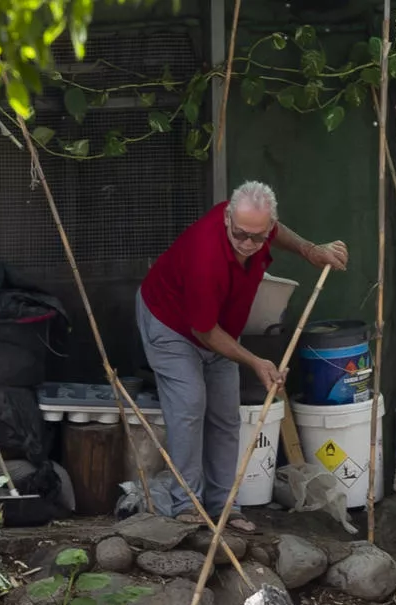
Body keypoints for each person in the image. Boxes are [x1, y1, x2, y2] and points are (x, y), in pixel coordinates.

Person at [136, 180, 347, 531]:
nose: (248, 244)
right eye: (240, 235)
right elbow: (203, 331)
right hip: (171, 324)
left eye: (257, 237)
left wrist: (310, 250)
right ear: (228, 219)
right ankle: (187, 505)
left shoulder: (256, 226)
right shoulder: (206, 254)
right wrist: (254, 361)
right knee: (189, 405)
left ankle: (223, 507)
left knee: (226, 416)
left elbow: (277, 232)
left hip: (221, 329)